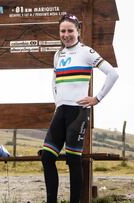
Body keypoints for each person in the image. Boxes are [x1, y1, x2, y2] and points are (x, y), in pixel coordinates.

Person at [41, 13, 119, 203]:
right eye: (62, 31)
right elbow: (55, 81)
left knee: (74, 160)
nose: (66, 34)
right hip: (61, 111)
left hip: (78, 112)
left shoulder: (86, 52)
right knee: (47, 157)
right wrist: (57, 102)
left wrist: (97, 98)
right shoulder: (58, 55)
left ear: (78, 31)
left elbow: (113, 74)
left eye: (70, 30)